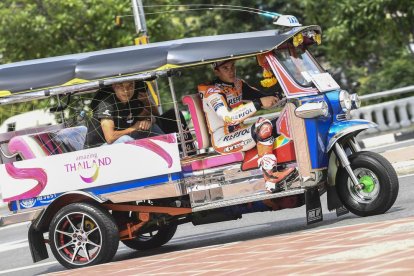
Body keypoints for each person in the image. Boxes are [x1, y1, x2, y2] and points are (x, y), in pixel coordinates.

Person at [198, 60, 295, 193]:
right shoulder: (212, 92)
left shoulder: (238, 84)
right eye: (225, 68)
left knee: (281, 122)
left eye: (232, 66)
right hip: (223, 140)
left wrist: (283, 95)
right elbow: (229, 118)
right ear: (216, 71)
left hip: (240, 133)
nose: (231, 71)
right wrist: (258, 103)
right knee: (264, 126)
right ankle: (270, 177)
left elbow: (264, 97)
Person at [85, 81, 164, 148]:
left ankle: (169, 150)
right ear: (114, 87)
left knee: (151, 128)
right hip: (96, 151)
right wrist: (134, 128)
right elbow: (110, 138)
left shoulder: (132, 102)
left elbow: (152, 116)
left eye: (130, 85)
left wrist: (148, 121)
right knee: (125, 140)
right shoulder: (107, 103)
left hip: (116, 146)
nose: (126, 90)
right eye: (121, 86)